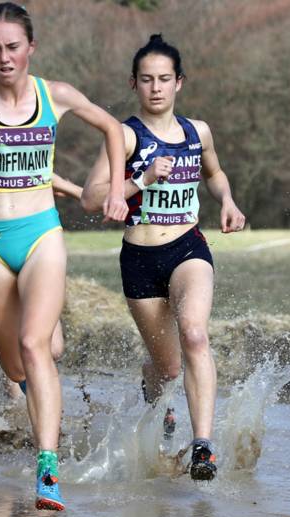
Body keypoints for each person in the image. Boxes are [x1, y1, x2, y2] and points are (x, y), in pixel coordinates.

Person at [0, 2, 127, 510]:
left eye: (13, 47)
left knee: (33, 346)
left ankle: (48, 469)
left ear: (30, 47)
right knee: (16, 364)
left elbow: (114, 129)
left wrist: (118, 187)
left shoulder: (53, 95)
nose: (4, 57)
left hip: (42, 233)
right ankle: (42, 348)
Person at [81, 34, 246, 482]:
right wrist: (141, 180)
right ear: (134, 83)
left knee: (194, 334)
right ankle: (156, 393)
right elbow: (91, 198)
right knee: (168, 368)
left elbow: (213, 173)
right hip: (139, 258)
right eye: (147, 79)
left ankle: (203, 446)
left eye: (165, 79)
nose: (156, 87)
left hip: (188, 247)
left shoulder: (199, 131)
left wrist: (227, 200)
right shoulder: (125, 136)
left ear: (179, 83)